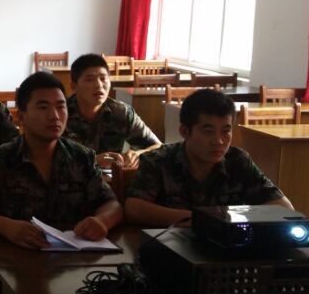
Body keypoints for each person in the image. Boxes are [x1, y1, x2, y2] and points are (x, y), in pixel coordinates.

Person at [0, 72, 123, 248]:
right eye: (43, 107)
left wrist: (102, 221)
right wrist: (5, 227)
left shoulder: (82, 158)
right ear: (21, 117)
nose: (54, 116)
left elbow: (112, 204)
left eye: (61, 106)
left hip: (72, 257)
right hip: (14, 256)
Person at [125, 88, 293, 227]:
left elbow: (284, 207)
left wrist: (233, 219)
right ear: (184, 132)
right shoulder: (159, 160)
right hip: (173, 244)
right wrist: (201, 220)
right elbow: (134, 208)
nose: (218, 141)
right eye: (208, 131)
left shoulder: (238, 161)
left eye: (226, 131)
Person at [64, 53, 160, 169]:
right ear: (73, 86)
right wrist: (93, 161)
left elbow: (158, 146)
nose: (99, 85)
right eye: (89, 80)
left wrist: (137, 154)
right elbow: (46, 156)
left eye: (103, 79)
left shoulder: (121, 113)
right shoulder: (60, 112)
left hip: (109, 179)